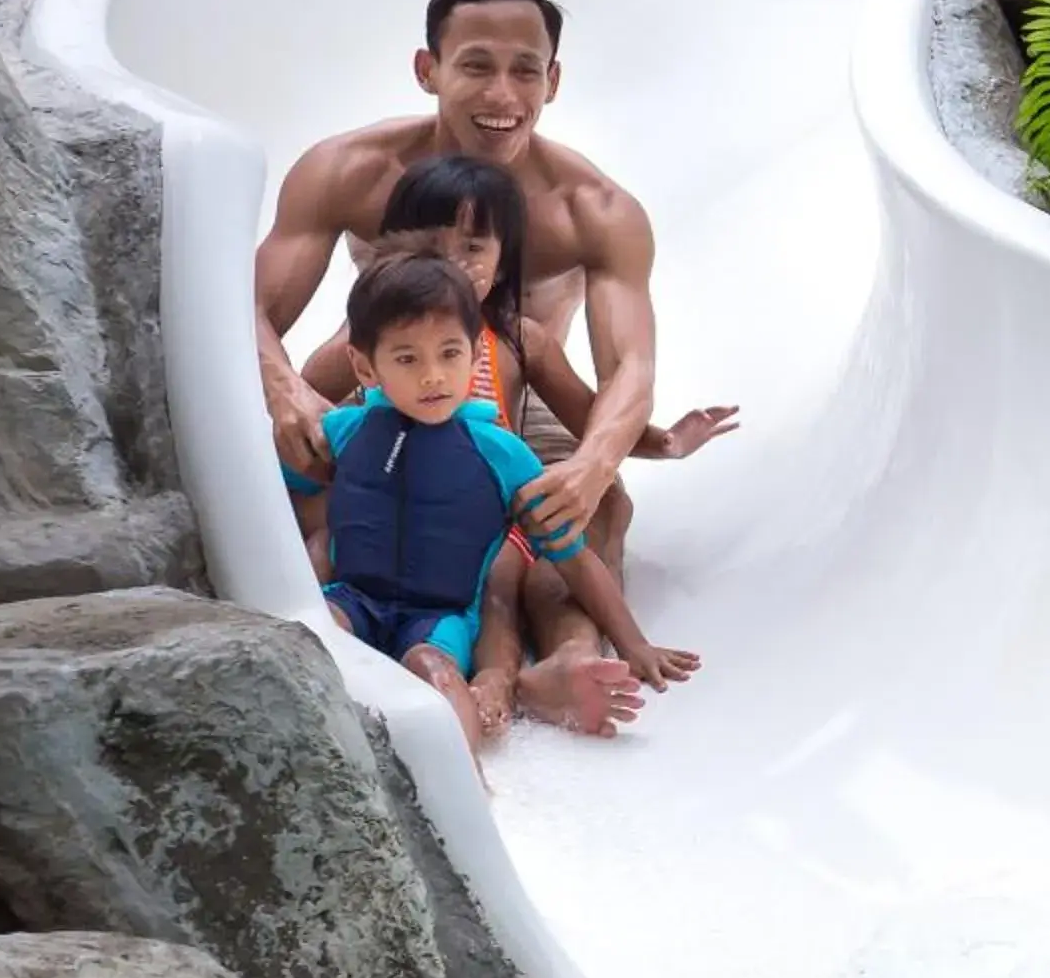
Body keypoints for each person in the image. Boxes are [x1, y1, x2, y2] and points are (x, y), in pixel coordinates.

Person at [254, 0, 677, 733]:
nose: (502, 95)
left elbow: (631, 368)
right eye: (476, 65)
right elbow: (246, 311)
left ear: (553, 80)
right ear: (429, 70)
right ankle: (320, 622)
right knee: (290, 470)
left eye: (525, 71)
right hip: (383, 376)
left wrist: (592, 463)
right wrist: (285, 390)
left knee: (590, 510)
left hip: (521, 396)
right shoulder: (349, 172)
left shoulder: (594, 210)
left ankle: (565, 664)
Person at [295, 155, 738, 733]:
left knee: (499, 584)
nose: (455, 263)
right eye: (435, 248)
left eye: (474, 248)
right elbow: (305, 406)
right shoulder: (366, 340)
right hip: (393, 497)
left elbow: (589, 418)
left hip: (482, 497)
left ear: (503, 258)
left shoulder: (518, 340)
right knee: (334, 538)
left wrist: (666, 443)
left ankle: (505, 683)